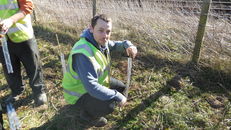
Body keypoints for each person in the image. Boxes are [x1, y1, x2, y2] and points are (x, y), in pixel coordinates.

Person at [62, 14, 137, 127]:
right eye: (101, 30)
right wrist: (117, 96)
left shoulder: (100, 42)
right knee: (109, 105)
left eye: (108, 31)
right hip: (78, 93)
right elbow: (92, 87)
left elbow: (115, 45)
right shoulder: (83, 53)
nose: (105, 36)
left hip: (95, 82)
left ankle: (95, 106)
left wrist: (128, 45)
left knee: (121, 87)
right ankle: (87, 116)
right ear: (91, 29)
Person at [0, 0, 47, 106]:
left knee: (32, 65)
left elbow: (27, 6)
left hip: (23, 35)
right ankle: (16, 91)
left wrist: (10, 20)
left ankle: (39, 92)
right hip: (3, 40)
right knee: (9, 68)